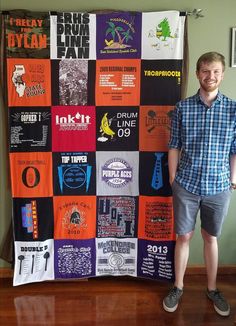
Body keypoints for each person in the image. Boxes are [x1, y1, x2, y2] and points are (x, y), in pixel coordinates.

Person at [163, 52, 236, 317]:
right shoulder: (183, 107)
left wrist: (232, 179)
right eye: (205, 71)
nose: (210, 76)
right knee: (184, 236)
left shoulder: (233, 109)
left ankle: (213, 288)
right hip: (186, 184)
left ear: (222, 74)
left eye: (215, 71)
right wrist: (173, 179)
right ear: (197, 74)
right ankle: (178, 286)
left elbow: (234, 149)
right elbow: (174, 146)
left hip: (218, 187)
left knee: (210, 237)